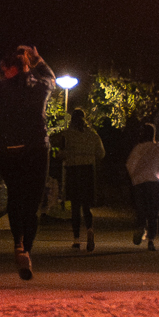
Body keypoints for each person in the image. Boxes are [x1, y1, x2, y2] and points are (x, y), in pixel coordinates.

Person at [0, 41, 55, 279]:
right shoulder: (41, 86)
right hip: (37, 148)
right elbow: (52, 78)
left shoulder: (2, 88)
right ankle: (26, 249)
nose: (3, 73)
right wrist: (38, 60)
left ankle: (18, 243)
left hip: (10, 149)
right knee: (33, 203)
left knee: (16, 197)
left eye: (4, 69)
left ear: (11, 69)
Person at [56, 108, 105, 252]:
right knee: (86, 205)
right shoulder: (92, 135)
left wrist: (66, 154)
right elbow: (101, 153)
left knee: (75, 206)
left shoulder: (67, 135)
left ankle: (76, 239)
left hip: (73, 170)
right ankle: (89, 229)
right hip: (88, 171)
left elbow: (59, 152)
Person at [125, 122, 159, 250]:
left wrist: (135, 177)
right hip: (154, 183)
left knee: (141, 209)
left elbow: (130, 165)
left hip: (140, 183)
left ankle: (140, 228)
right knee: (153, 212)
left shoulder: (138, 149)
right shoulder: (158, 149)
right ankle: (151, 239)